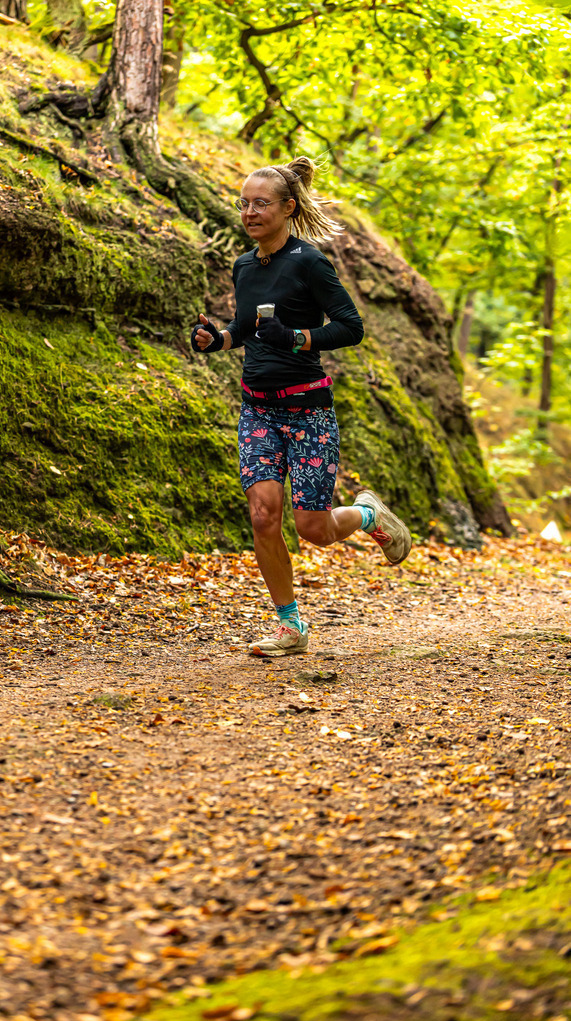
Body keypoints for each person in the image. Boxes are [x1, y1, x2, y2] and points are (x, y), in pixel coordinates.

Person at [191, 157, 411, 657]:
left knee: (313, 528)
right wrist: (217, 338)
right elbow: (246, 328)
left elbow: (350, 327)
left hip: (307, 409)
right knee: (264, 516)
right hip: (258, 409)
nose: (249, 212)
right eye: (244, 203)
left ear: (288, 207)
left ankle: (367, 515)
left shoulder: (308, 262)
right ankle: (291, 627)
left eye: (261, 203)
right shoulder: (245, 264)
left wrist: (297, 338)